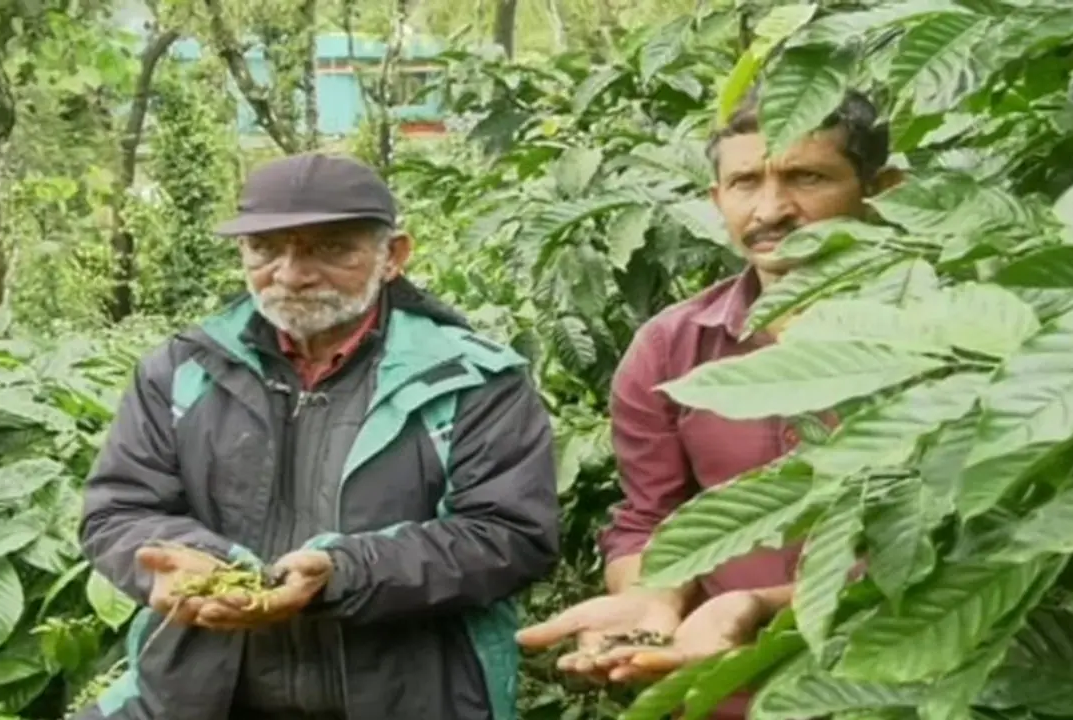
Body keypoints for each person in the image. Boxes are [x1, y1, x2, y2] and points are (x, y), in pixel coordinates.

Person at [73, 153, 560, 720]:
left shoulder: (471, 379)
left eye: (331, 248)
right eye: (266, 249)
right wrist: (198, 565)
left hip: (413, 698)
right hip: (193, 697)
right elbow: (117, 509)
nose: (290, 274)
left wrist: (343, 573)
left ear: (393, 256)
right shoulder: (182, 370)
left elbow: (510, 536)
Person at [516, 87, 902, 718]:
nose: (772, 209)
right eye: (746, 182)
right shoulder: (672, 349)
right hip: (723, 694)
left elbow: (966, 539)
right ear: (716, 198)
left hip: (905, 684)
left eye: (807, 177)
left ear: (882, 188)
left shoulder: (948, 337)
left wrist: (761, 607)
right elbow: (651, 517)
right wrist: (654, 601)